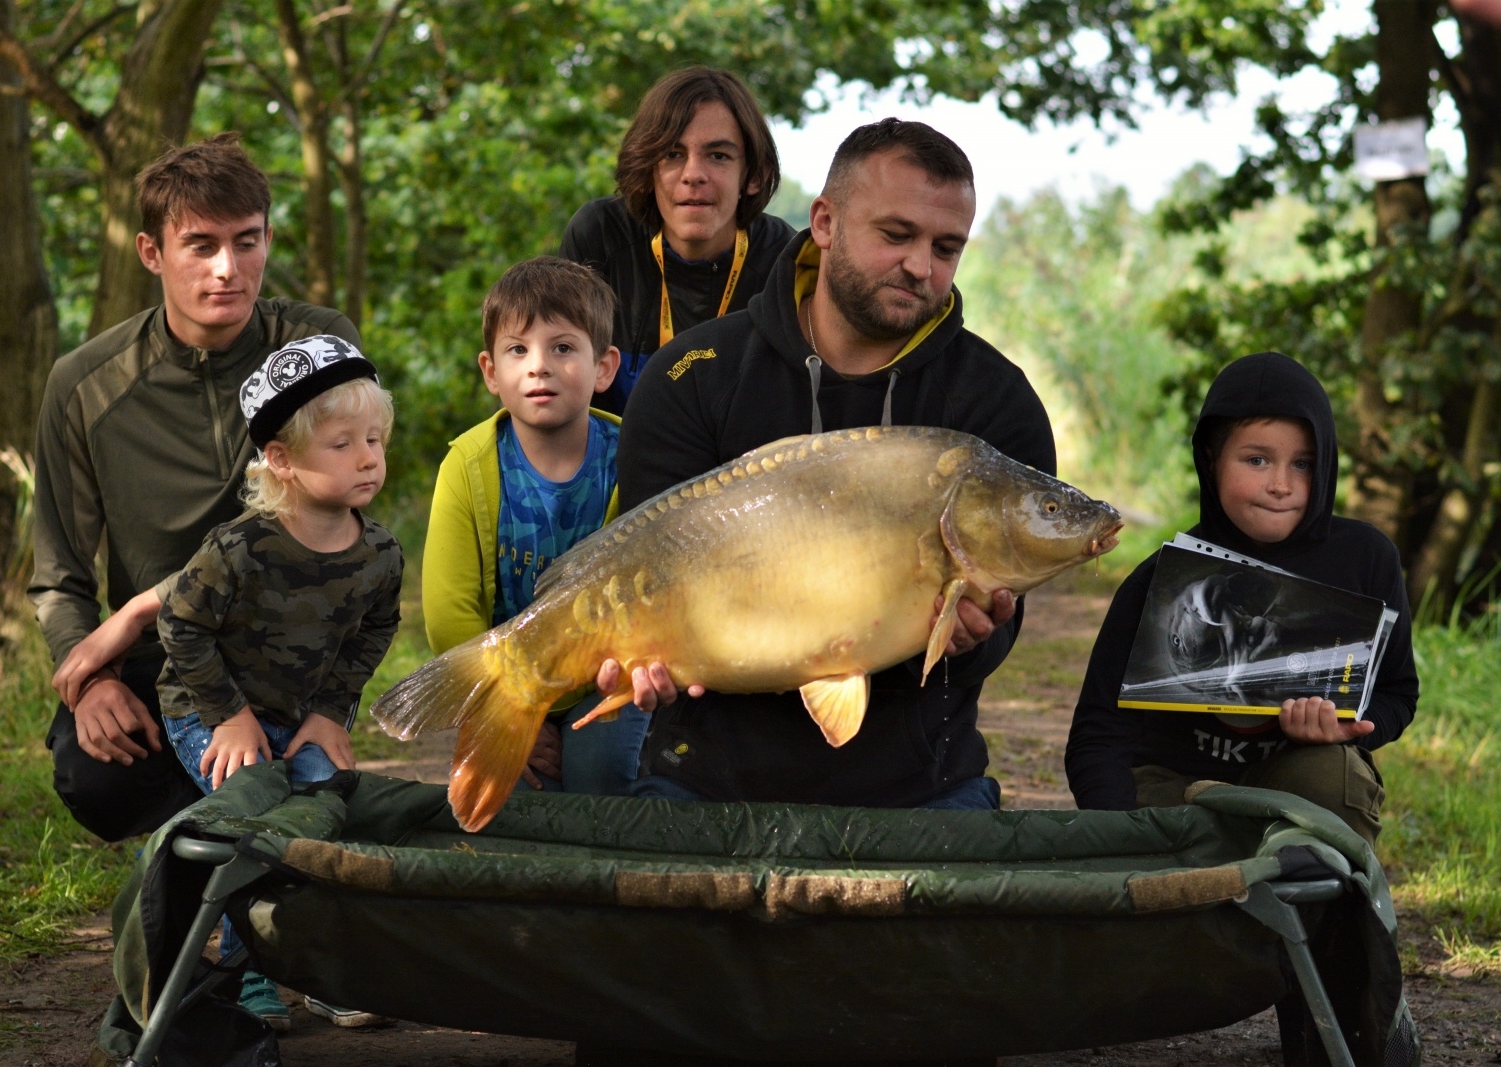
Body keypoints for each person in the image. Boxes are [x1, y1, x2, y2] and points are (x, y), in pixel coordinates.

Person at [609, 118, 1055, 809]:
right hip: (706, 779)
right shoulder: (693, 375)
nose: (921, 267)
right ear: (824, 222)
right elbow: (641, 566)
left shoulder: (996, 402)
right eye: (896, 235)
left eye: (946, 248)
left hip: (920, 788)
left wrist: (974, 642)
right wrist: (640, 658)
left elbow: (998, 639)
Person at [33, 133, 361, 843]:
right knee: (97, 779)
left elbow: (329, 525)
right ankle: (221, 825)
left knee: (299, 792)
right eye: (201, 246)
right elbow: (59, 575)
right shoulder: (85, 384)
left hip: (287, 652)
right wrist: (92, 679)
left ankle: (237, 839)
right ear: (152, 252)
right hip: (158, 661)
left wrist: (142, 605)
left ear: (268, 239)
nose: (227, 269)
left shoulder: (315, 348)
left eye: (247, 242)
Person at [98, 337, 403, 1031]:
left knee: (327, 807)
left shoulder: (380, 555)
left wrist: (330, 713)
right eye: (342, 444)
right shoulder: (239, 548)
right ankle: (249, 975)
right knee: (255, 820)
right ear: (282, 460)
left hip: (299, 712)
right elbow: (180, 625)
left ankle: (319, 967)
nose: (367, 458)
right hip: (208, 706)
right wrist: (228, 716)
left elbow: (375, 631)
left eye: (375, 440)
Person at [1064, 351, 1420, 846]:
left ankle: (1321, 892)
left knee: (1334, 776)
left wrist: (1348, 728)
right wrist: (1117, 835)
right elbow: (1097, 734)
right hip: (1175, 788)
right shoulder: (1160, 581)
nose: (1281, 485)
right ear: (1211, 460)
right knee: (1161, 819)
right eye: (1257, 460)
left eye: (1303, 464)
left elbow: (1398, 694)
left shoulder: (1366, 560)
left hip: (1294, 782)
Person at [421, 256, 644, 794]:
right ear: (491, 372)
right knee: (505, 793)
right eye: (518, 350)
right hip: (500, 684)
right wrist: (506, 711)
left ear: (604, 367)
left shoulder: (634, 457)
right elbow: (450, 615)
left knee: (602, 772)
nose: (538, 366)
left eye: (562, 348)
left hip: (604, 681)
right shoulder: (468, 465)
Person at [559, 66, 796, 414]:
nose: (693, 175)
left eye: (718, 156)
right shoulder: (600, 238)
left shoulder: (784, 261)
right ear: (647, 167)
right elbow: (556, 379)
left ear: (754, 176)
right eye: (673, 154)